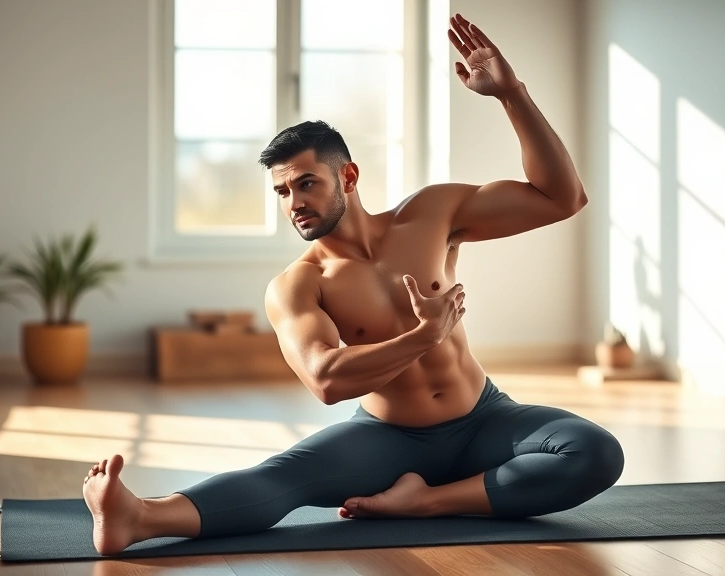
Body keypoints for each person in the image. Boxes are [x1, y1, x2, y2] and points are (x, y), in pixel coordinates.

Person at [81, 13, 624, 555]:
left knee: (596, 451)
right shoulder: (298, 285)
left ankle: (427, 501)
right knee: (281, 477)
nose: (294, 204)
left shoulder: (433, 214)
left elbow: (562, 198)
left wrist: (512, 95)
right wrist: (422, 337)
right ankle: (139, 516)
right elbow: (325, 381)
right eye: (283, 192)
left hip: (484, 418)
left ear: (349, 176)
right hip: (388, 439)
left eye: (306, 184)